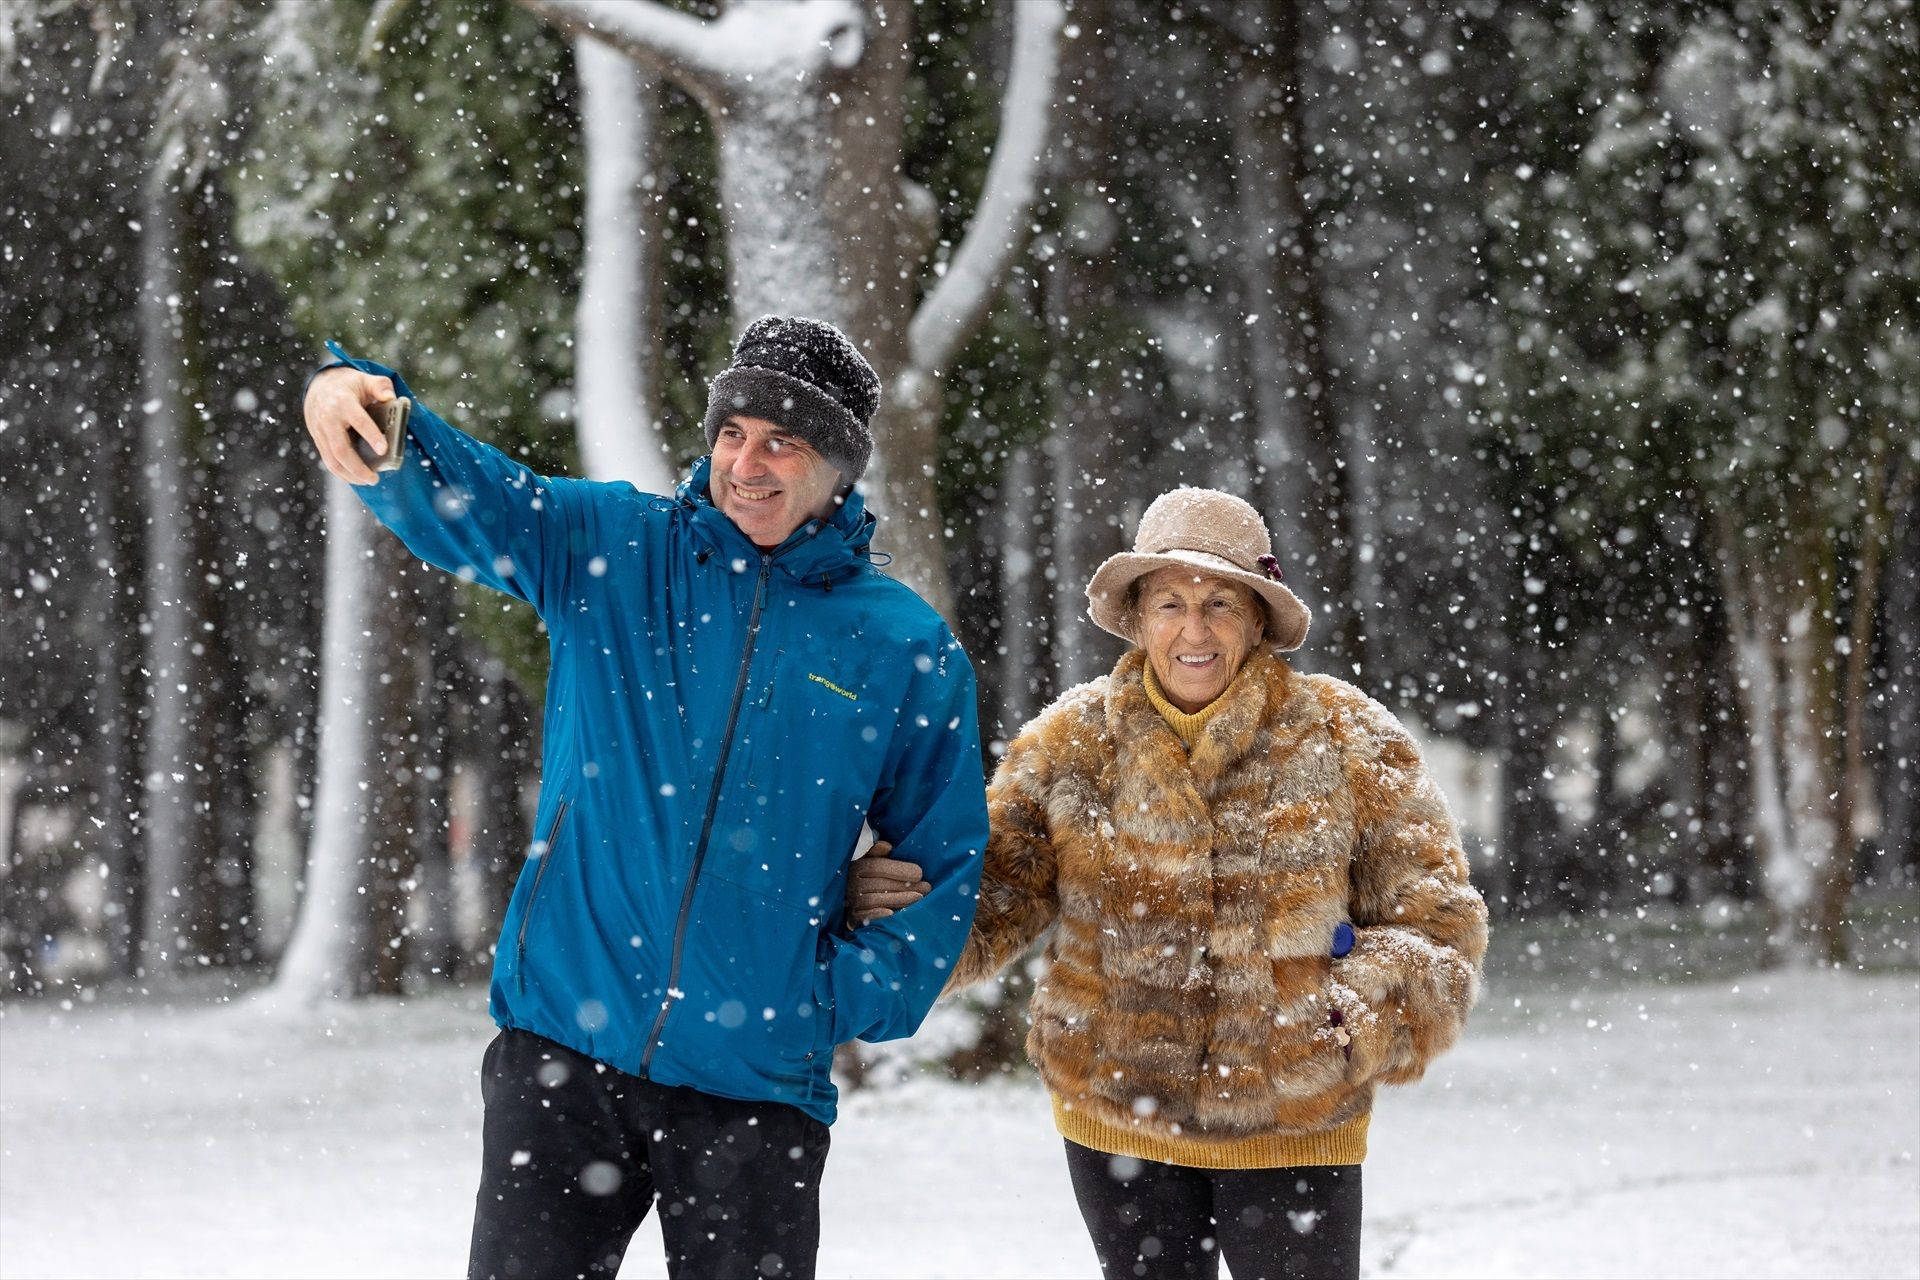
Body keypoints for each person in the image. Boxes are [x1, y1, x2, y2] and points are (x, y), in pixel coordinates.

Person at [302, 316, 989, 1280]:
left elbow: (947, 860)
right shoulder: (616, 550)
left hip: (757, 1087)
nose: (745, 462)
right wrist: (360, 394)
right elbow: (472, 493)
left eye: (782, 441)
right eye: (732, 433)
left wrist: (825, 996)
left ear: (837, 468)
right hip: (561, 1057)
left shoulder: (901, 645)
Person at [854, 487, 1488, 1280]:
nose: (1195, 629)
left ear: (1259, 619)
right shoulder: (1069, 745)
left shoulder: (1348, 737)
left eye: (1221, 601)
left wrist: (1356, 1008)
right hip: (1118, 1120)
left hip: (1291, 1120)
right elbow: (991, 900)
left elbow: (1438, 922)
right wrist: (884, 915)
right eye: (1170, 602)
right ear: (1137, 616)